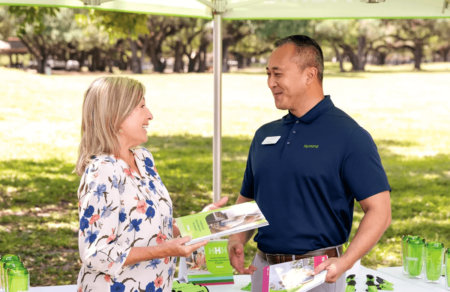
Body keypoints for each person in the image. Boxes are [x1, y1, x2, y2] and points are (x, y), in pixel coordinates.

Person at [227, 35, 392, 292]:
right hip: (262, 270)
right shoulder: (263, 135)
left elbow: (380, 211)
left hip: (317, 274)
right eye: (268, 74)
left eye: (278, 74)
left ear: (309, 74)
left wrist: (346, 261)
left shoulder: (349, 135)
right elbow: (249, 199)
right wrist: (236, 238)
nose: (271, 83)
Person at [75, 77, 227, 292]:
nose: (150, 115)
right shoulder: (103, 170)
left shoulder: (143, 159)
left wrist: (198, 222)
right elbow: (95, 254)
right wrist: (164, 251)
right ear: (116, 117)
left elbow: (153, 226)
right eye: (141, 106)